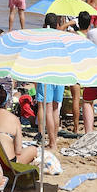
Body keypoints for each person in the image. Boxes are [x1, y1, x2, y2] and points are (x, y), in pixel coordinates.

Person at [0, 84, 37, 165]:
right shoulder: (14, 119)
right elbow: (18, 151)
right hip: (8, 164)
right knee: (33, 149)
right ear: (7, 101)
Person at [36, 14, 64, 149]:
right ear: (57, 25)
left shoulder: (42, 38)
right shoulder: (61, 37)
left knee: (47, 109)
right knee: (55, 109)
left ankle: (52, 142)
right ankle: (54, 140)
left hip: (46, 74)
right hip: (59, 74)